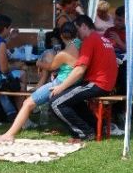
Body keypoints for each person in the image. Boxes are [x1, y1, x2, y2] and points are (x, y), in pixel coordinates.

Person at [0, 22, 80, 142]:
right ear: (76, 33)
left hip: (60, 83)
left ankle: (10, 134)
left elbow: (51, 67)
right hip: (74, 82)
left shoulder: (63, 53)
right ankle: (39, 86)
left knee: (27, 103)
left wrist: (38, 63)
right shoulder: (79, 44)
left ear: (61, 36)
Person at [49, 14, 118, 142]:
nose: (76, 34)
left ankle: (84, 133)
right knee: (72, 100)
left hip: (97, 84)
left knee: (55, 103)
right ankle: (95, 127)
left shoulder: (89, 40)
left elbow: (79, 70)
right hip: (106, 84)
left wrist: (61, 87)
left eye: (77, 29)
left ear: (84, 26)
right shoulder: (102, 39)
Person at [105, 5, 133, 94]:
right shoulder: (110, 31)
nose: (116, 22)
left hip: (132, 69)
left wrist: (119, 42)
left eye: (120, 20)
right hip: (112, 67)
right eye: (115, 19)